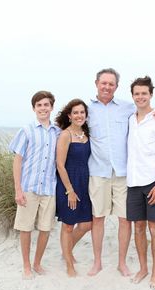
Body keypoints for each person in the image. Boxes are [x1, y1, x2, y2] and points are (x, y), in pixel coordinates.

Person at [87, 68, 155, 277]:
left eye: (111, 84)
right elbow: (71, 128)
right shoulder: (87, 109)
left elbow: (147, 112)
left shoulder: (127, 108)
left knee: (125, 220)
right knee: (98, 218)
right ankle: (97, 262)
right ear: (96, 83)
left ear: (116, 87)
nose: (107, 87)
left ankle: (122, 263)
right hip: (98, 171)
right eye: (103, 83)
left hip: (124, 173)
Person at [126, 76, 155, 289]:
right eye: (137, 93)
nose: (140, 97)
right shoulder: (130, 119)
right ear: (133, 96)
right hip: (133, 182)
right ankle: (143, 268)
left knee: (154, 228)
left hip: (153, 183)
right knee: (138, 228)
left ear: (151, 95)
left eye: (144, 93)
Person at [9, 90, 60, 279]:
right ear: (34, 108)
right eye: (39, 105)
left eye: (46, 105)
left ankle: (38, 263)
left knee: (45, 229)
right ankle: (26, 266)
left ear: (51, 107)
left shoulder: (57, 132)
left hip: (49, 189)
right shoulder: (27, 130)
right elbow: (17, 160)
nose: (43, 108)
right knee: (26, 228)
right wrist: (18, 190)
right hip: (28, 188)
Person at [55, 99, 92, 277]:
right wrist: (69, 190)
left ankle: (66, 250)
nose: (79, 115)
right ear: (69, 116)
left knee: (86, 224)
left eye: (82, 112)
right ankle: (69, 263)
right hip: (68, 183)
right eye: (75, 112)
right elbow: (60, 165)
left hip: (85, 183)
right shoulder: (65, 135)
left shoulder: (86, 134)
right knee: (68, 225)